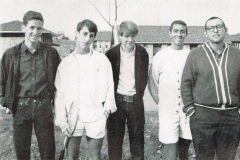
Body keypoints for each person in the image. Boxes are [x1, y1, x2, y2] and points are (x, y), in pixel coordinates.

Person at [0, 11, 61, 159]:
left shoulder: (50, 53)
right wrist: (7, 103)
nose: (36, 32)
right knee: (22, 153)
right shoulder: (11, 55)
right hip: (21, 108)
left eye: (39, 28)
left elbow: (60, 80)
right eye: (32, 27)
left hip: (43, 107)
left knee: (48, 153)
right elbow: (2, 81)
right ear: (23, 28)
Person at [54, 19, 117, 160]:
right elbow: (60, 95)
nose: (87, 39)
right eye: (84, 34)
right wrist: (62, 121)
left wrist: (106, 111)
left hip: (96, 115)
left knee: (94, 156)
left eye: (91, 35)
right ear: (76, 34)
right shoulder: (65, 64)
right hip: (73, 116)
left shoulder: (102, 60)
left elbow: (109, 86)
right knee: (71, 156)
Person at [181, 17, 240, 160]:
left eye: (219, 27)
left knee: (227, 157)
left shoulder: (237, 54)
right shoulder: (195, 54)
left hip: (230, 116)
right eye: (211, 28)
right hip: (203, 116)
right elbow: (186, 83)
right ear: (205, 33)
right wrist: (190, 110)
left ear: (225, 30)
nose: (215, 30)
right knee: (204, 157)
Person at [148, 20, 192, 160]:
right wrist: (163, 104)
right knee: (170, 153)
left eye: (182, 31)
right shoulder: (160, 56)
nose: (179, 34)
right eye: (176, 31)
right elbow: (153, 84)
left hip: (187, 112)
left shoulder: (191, 55)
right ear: (170, 33)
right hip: (168, 112)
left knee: (184, 151)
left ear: (186, 34)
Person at [106, 21, 149, 160]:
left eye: (132, 36)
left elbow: (143, 79)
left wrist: (137, 97)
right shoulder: (111, 54)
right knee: (114, 144)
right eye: (126, 36)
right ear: (119, 36)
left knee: (137, 144)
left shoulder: (142, 53)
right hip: (116, 103)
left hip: (135, 103)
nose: (129, 40)